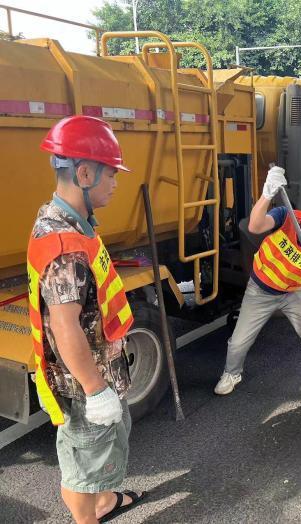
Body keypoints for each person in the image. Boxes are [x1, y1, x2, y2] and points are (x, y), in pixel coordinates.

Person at [27, 115, 145, 524]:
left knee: (99, 454)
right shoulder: (65, 246)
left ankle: (105, 502)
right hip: (85, 383)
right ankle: (87, 519)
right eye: (111, 174)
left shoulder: (67, 222)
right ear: (84, 172)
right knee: (80, 466)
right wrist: (96, 391)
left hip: (100, 368)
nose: (115, 182)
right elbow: (65, 326)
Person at [215, 168, 301, 407]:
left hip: (292, 294)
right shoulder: (286, 216)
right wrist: (267, 193)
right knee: (238, 342)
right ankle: (232, 373)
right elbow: (255, 226)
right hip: (260, 291)